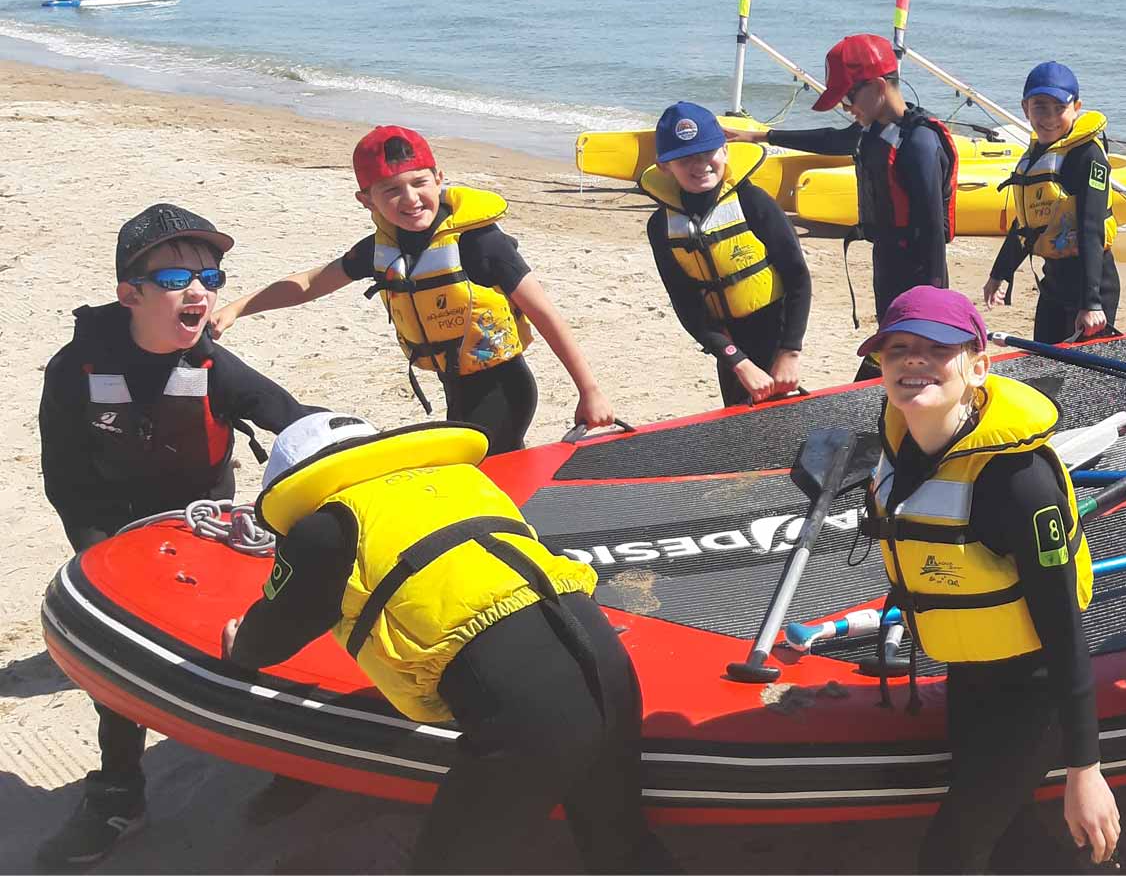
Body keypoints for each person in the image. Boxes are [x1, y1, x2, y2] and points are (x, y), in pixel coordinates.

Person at [221, 412, 669, 873]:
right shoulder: (460, 483)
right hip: (606, 662)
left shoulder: (327, 526)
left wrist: (240, 649)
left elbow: (280, 625)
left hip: (527, 711)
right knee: (621, 845)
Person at [36, 203, 311, 867]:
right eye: (176, 278)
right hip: (116, 540)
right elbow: (65, 480)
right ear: (129, 294)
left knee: (258, 635)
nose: (199, 291)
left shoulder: (215, 367)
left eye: (210, 277)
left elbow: (297, 421)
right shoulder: (74, 371)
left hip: (209, 534)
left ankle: (295, 759)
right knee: (117, 674)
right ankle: (118, 794)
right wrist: (101, 552)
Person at [857, 285, 1119, 873]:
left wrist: (1086, 768)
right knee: (1008, 838)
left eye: (936, 348)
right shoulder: (902, 449)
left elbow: (1064, 631)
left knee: (951, 855)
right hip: (969, 681)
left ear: (977, 367)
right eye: (897, 349)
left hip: (1035, 693)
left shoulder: (1018, 483)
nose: (912, 361)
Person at [209, 126, 615, 454]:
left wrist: (589, 391)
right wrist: (238, 308)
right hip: (454, 385)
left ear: (439, 179)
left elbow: (546, 314)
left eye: (419, 182)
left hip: (505, 388)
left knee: (483, 470)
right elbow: (310, 284)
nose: (410, 199)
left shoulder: (478, 243)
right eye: (390, 191)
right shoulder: (383, 249)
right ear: (365, 200)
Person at [724, 34, 958, 354]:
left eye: (848, 97)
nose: (845, 108)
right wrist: (759, 135)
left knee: (915, 355)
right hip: (888, 263)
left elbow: (931, 231)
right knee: (892, 349)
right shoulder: (876, 129)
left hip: (918, 277)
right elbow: (831, 141)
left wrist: (933, 304)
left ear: (877, 87)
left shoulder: (918, 143)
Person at [641, 100, 810, 406]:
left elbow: (798, 276)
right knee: (740, 429)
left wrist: (790, 352)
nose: (700, 164)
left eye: (708, 152)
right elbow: (687, 304)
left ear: (726, 151)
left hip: (778, 334)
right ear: (665, 166)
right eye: (685, 158)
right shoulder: (660, 226)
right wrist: (737, 361)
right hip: (728, 344)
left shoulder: (754, 202)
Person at [983, 62, 1121, 344]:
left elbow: (1091, 228)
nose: (1049, 117)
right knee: (1042, 364)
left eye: (1059, 108)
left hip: (1092, 284)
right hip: (1053, 283)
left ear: (1077, 107)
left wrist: (1091, 302)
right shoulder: (1035, 154)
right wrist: (1001, 272)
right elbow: (1028, 223)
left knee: (1084, 378)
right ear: (1025, 108)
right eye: (1040, 107)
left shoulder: (1088, 157)